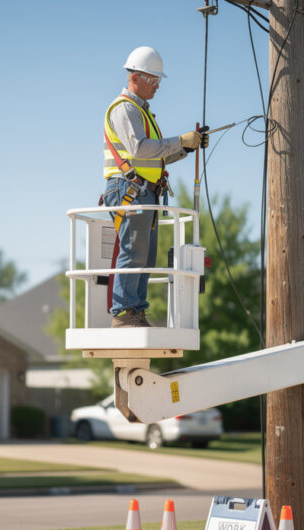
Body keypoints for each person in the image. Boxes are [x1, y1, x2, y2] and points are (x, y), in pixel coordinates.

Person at [102, 46, 206, 328]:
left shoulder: (142, 112)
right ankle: (124, 312)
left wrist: (185, 147)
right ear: (135, 77)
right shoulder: (125, 109)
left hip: (144, 190)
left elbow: (155, 156)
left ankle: (135, 311)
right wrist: (178, 140)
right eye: (153, 79)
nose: (158, 86)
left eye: (158, 80)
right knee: (134, 251)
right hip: (129, 189)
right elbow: (139, 148)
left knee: (145, 255)